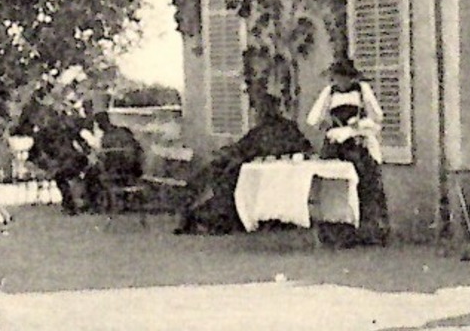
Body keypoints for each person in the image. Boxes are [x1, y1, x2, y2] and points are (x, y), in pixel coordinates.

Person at [176, 92, 313, 235]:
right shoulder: (271, 129)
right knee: (215, 169)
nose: (257, 114)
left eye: (260, 109)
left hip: (259, 173)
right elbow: (242, 147)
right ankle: (193, 209)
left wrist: (227, 155)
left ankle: (205, 215)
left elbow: (245, 150)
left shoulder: (282, 129)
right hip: (258, 170)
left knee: (223, 174)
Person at [307, 57, 390, 246]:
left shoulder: (362, 91)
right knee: (335, 187)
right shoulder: (329, 93)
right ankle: (337, 233)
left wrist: (359, 125)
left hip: (358, 142)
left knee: (366, 184)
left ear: (351, 78)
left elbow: (377, 118)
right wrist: (326, 125)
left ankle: (369, 232)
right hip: (337, 144)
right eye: (337, 77)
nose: (340, 82)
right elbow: (313, 118)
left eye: (344, 78)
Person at [82, 110, 145, 210]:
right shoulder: (123, 131)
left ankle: (94, 204)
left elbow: (105, 157)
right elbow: (138, 148)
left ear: (100, 124)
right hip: (134, 167)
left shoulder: (106, 138)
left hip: (116, 169)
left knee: (91, 173)